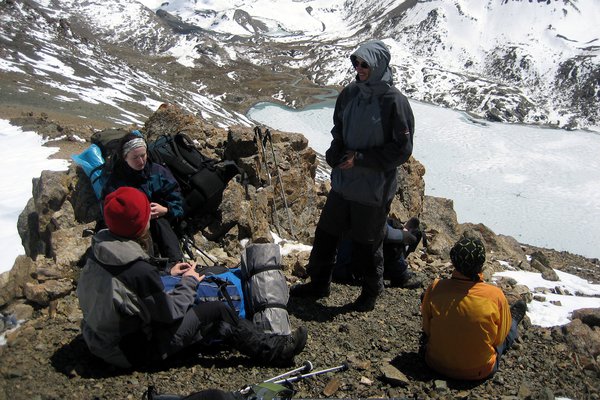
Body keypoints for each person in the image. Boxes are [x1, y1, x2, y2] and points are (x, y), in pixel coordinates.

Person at [77, 186, 307, 369]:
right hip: (130, 352)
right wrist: (189, 281)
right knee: (218, 311)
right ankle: (275, 351)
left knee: (193, 298)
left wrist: (168, 273)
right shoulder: (138, 271)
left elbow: (127, 290)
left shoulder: (99, 250)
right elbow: (170, 313)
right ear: (139, 224)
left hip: (97, 338)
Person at [290, 39, 415, 311]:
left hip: (372, 190)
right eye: (356, 63)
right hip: (343, 185)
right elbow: (339, 131)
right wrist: (336, 154)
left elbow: (402, 150)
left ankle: (371, 292)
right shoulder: (350, 94)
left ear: (379, 65)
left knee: (367, 245)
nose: (359, 68)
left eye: (365, 64)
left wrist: (361, 159)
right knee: (325, 235)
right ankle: (319, 284)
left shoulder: (394, 102)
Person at [420, 237, 527, 381]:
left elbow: (426, 329)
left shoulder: (435, 287)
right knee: (507, 332)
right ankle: (513, 321)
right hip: (479, 370)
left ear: (453, 261)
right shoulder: (495, 296)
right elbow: (497, 339)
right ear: (480, 264)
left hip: (434, 364)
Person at [102, 132, 184, 263]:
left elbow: (178, 200)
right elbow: (109, 211)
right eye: (135, 157)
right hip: (131, 227)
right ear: (125, 157)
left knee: (160, 222)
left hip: (159, 222)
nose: (141, 161)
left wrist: (166, 210)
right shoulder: (116, 181)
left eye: (143, 155)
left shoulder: (158, 172)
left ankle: (177, 263)